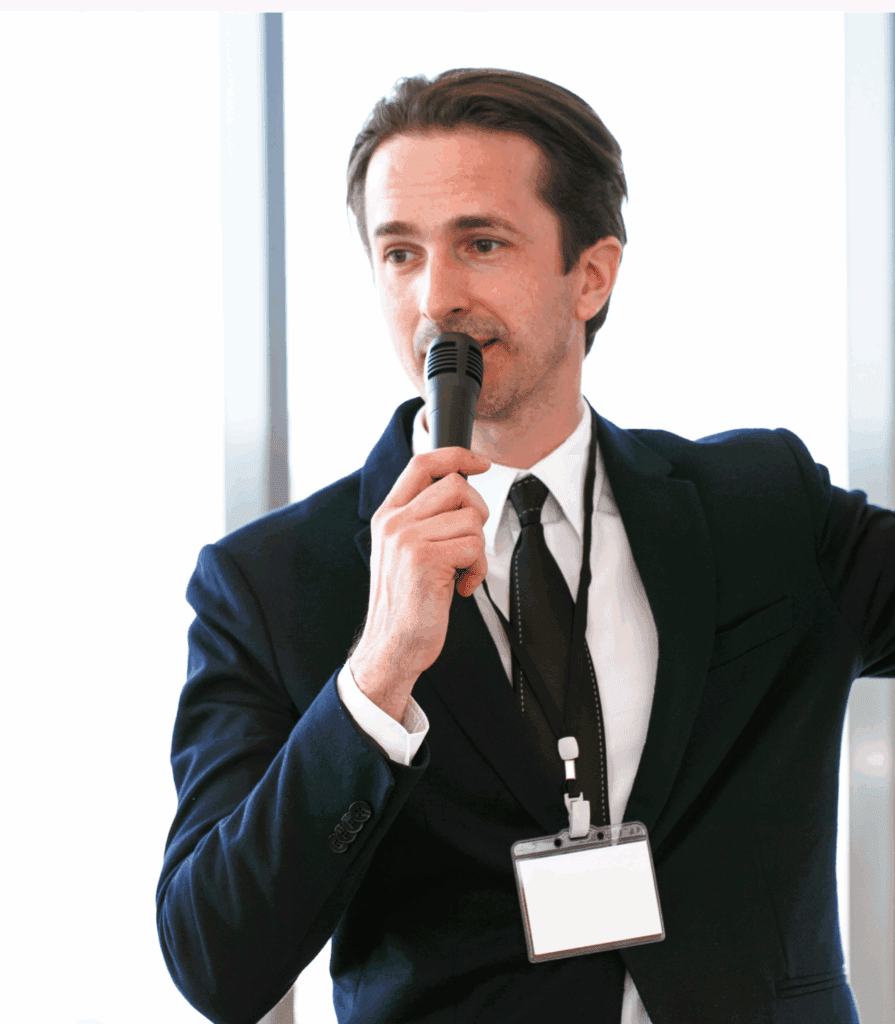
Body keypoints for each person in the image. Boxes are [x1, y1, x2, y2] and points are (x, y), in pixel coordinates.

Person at [156, 68, 894, 1024]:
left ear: (589, 274)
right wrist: (376, 676)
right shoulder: (269, 583)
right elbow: (217, 962)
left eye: (481, 243)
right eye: (399, 254)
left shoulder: (760, 508)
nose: (436, 298)